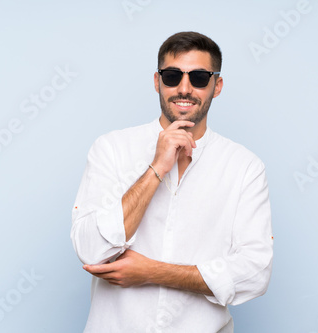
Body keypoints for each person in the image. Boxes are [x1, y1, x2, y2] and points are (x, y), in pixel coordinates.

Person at [71, 31, 273, 332]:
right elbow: (91, 250)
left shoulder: (245, 167)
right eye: (172, 76)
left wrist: (153, 272)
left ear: (216, 86)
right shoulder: (111, 149)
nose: (184, 88)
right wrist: (157, 167)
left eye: (199, 78)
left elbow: (254, 272)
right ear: (157, 82)